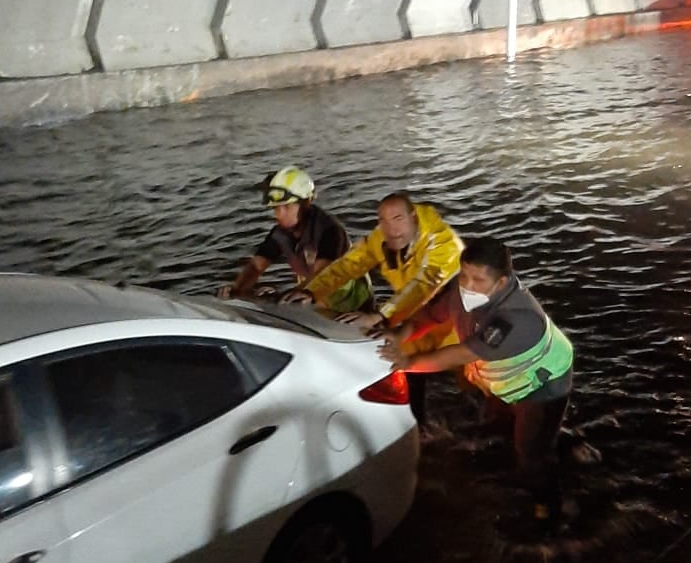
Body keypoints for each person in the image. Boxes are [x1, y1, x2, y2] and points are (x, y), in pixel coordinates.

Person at [380, 235, 574, 530]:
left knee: (531, 455)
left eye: (478, 280)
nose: (467, 286)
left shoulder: (518, 317)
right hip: (505, 378)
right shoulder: (462, 289)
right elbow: (430, 314)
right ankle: (550, 443)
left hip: (544, 384)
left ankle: (548, 512)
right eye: (464, 276)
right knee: (500, 424)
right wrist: (399, 335)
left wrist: (408, 363)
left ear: (501, 282)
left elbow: (462, 353)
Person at [289, 192, 464, 425]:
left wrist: (380, 316)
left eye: (398, 219)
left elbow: (423, 284)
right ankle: (418, 426)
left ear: (413, 216)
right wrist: (312, 291)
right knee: (401, 362)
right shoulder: (384, 237)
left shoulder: (443, 244)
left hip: (459, 323)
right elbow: (350, 263)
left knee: (479, 380)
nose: (391, 229)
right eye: (383, 221)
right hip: (417, 319)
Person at [218, 166, 371, 312]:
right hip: (314, 300)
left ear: (305, 203)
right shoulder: (280, 233)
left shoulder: (330, 231)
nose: (279, 214)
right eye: (276, 208)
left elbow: (321, 275)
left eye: (286, 207)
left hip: (352, 305)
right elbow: (256, 266)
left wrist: (283, 298)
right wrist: (237, 289)